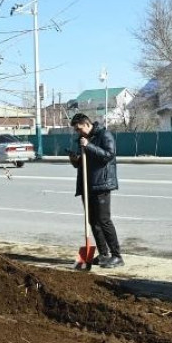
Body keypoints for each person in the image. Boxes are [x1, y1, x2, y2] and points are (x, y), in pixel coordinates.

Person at [68, 113, 123, 268]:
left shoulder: (104, 135)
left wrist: (88, 146)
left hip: (102, 184)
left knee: (104, 220)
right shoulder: (82, 139)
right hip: (87, 185)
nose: (78, 133)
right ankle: (104, 254)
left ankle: (117, 256)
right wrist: (75, 160)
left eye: (79, 129)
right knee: (93, 221)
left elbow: (108, 155)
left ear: (86, 124)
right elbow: (83, 161)